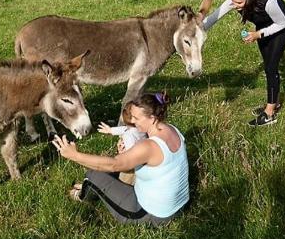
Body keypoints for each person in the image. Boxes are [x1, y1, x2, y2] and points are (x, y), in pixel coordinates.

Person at [52, 92, 189, 227]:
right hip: (178, 206)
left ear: (152, 118)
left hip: (149, 214)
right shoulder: (172, 130)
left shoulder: (148, 146)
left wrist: (74, 155)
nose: (132, 121)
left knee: (93, 175)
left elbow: (114, 165)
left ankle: (82, 194)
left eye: (136, 118)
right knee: (108, 173)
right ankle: (89, 187)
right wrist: (128, 152)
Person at [203, 0, 285, 127]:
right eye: (233, 1)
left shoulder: (267, 2)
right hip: (262, 27)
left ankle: (269, 114)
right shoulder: (234, 0)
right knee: (268, 66)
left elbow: (282, 23)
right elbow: (213, 18)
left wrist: (258, 35)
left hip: (280, 28)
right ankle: (274, 103)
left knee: (271, 68)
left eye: (239, 3)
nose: (235, 6)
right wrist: (194, 31)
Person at [97, 101, 147, 185]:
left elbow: (131, 156)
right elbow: (124, 129)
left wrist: (122, 153)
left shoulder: (129, 135)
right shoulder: (142, 128)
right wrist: (111, 130)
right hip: (142, 162)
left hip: (131, 168)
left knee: (124, 183)